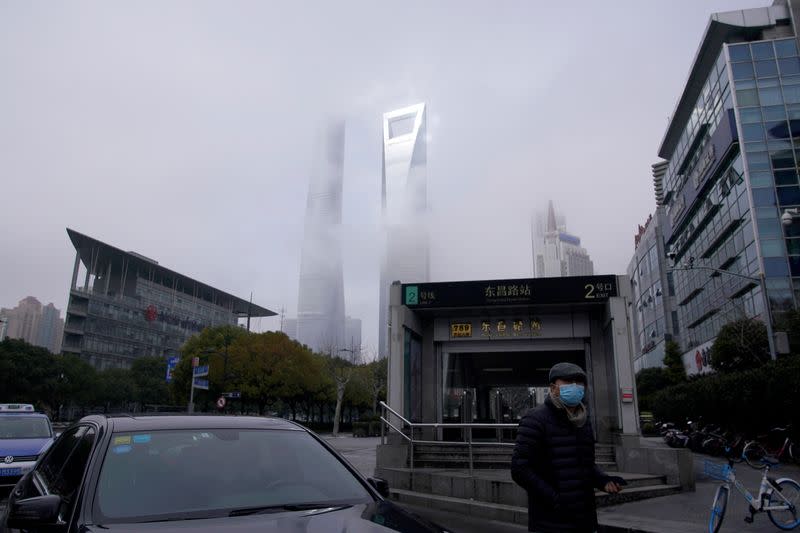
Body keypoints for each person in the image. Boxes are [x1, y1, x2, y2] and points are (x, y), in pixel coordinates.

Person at [511, 362, 624, 533]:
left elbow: (585, 464)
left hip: (584, 519)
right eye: (568, 382)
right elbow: (520, 468)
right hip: (550, 522)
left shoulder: (583, 421)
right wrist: (556, 499)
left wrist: (603, 480)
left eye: (579, 382)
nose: (575, 387)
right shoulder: (535, 419)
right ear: (553, 387)